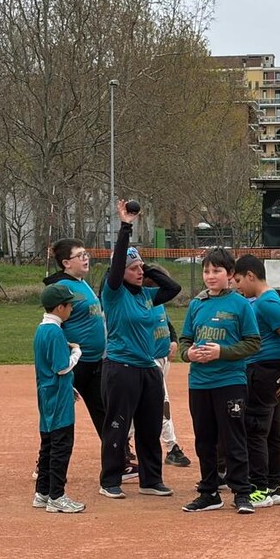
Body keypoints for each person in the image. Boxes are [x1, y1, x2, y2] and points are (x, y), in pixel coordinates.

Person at [98, 200, 181, 499]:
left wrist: (149, 269)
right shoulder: (114, 294)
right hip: (121, 367)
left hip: (148, 368)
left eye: (140, 268)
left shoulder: (146, 295)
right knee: (118, 425)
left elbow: (173, 289)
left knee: (149, 426)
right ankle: (110, 480)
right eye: (132, 268)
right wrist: (125, 227)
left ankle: (151, 479)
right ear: (119, 272)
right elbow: (118, 264)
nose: (138, 272)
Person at [41, 238, 138, 481]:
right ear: (66, 263)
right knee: (60, 416)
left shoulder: (82, 283)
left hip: (95, 362)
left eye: (86, 254)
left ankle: (119, 462)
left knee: (105, 413)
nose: (86, 259)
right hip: (76, 364)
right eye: (80, 255)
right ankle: (45, 465)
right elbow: (54, 324)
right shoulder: (63, 288)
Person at [179, 247, 261, 514]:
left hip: (230, 381)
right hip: (199, 383)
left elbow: (253, 343)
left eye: (217, 271)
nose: (210, 276)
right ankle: (209, 492)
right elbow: (185, 340)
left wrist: (221, 352)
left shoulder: (240, 304)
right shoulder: (196, 304)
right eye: (206, 271)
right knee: (204, 440)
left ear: (230, 274)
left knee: (233, 438)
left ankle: (242, 492)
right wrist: (189, 354)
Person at [233, 254, 280, 508]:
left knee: (256, 430)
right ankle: (274, 486)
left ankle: (260, 489)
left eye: (239, 280)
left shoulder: (265, 302)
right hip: (272, 371)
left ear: (251, 275)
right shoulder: (268, 300)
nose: (238, 287)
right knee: (274, 429)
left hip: (264, 371)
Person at [32, 283, 85, 513]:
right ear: (59, 307)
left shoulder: (42, 329)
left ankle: (42, 492)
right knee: (61, 445)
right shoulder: (54, 332)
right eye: (69, 305)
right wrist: (77, 352)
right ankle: (57, 495)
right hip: (58, 397)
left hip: (47, 393)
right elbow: (62, 367)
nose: (72, 309)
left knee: (48, 444)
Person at [142, 267, 192, 468]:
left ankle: (126, 442)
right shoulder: (142, 302)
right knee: (162, 403)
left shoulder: (158, 303)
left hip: (163, 360)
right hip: (149, 361)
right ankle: (172, 447)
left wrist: (173, 341)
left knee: (144, 405)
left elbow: (167, 325)